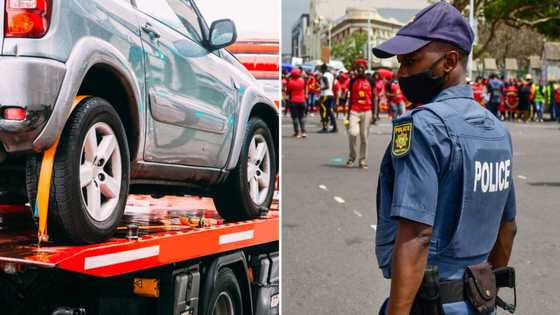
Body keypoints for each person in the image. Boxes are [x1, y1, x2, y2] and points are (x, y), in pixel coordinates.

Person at [371, 2, 517, 315]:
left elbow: (417, 235)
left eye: (411, 61)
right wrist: (482, 291)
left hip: (429, 304)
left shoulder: (423, 126)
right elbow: (507, 229)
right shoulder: (497, 130)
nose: (402, 73)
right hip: (480, 302)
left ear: (450, 61)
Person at [345, 59, 375, 169]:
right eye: (358, 67)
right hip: (354, 110)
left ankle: (362, 160)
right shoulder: (352, 81)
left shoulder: (371, 81)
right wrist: (348, 113)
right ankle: (352, 157)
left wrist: (375, 113)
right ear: (356, 69)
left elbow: (375, 98)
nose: (360, 69)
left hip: (367, 110)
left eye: (362, 67)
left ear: (365, 69)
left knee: (364, 137)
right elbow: (350, 97)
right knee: (353, 133)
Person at [286, 68, 307, 138]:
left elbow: (288, 91)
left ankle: (297, 133)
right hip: (302, 100)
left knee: (295, 118)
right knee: (302, 117)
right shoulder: (302, 81)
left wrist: (288, 77)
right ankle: (303, 132)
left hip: (294, 101)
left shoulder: (290, 82)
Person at [318, 64, 337, 133]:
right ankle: (335, 127)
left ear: (323, 69)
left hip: (325, 95)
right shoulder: (331, 75)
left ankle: (325, 128)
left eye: (320, 69)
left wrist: (319, 88)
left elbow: (327, 86)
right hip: (331, 94)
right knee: (330, 111)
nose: (320, 70)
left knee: (323, 111)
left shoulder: (324, 76)